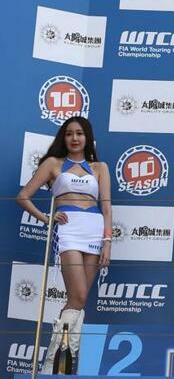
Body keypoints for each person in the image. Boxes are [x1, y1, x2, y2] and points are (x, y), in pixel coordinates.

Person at [17, 116, 112, 373]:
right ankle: (53, 362)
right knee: (78, 295)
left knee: (77, 300)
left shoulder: (100, 167)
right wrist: (47, 218)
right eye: (69, 133)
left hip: (94, 230)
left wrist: (107, 241)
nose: (74, 138)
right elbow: (23, 196)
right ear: (64, 137)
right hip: (69, 230)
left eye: (79, 133)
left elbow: (106, 205)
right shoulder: (53, 163)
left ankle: (64, 362)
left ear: (87, 138)